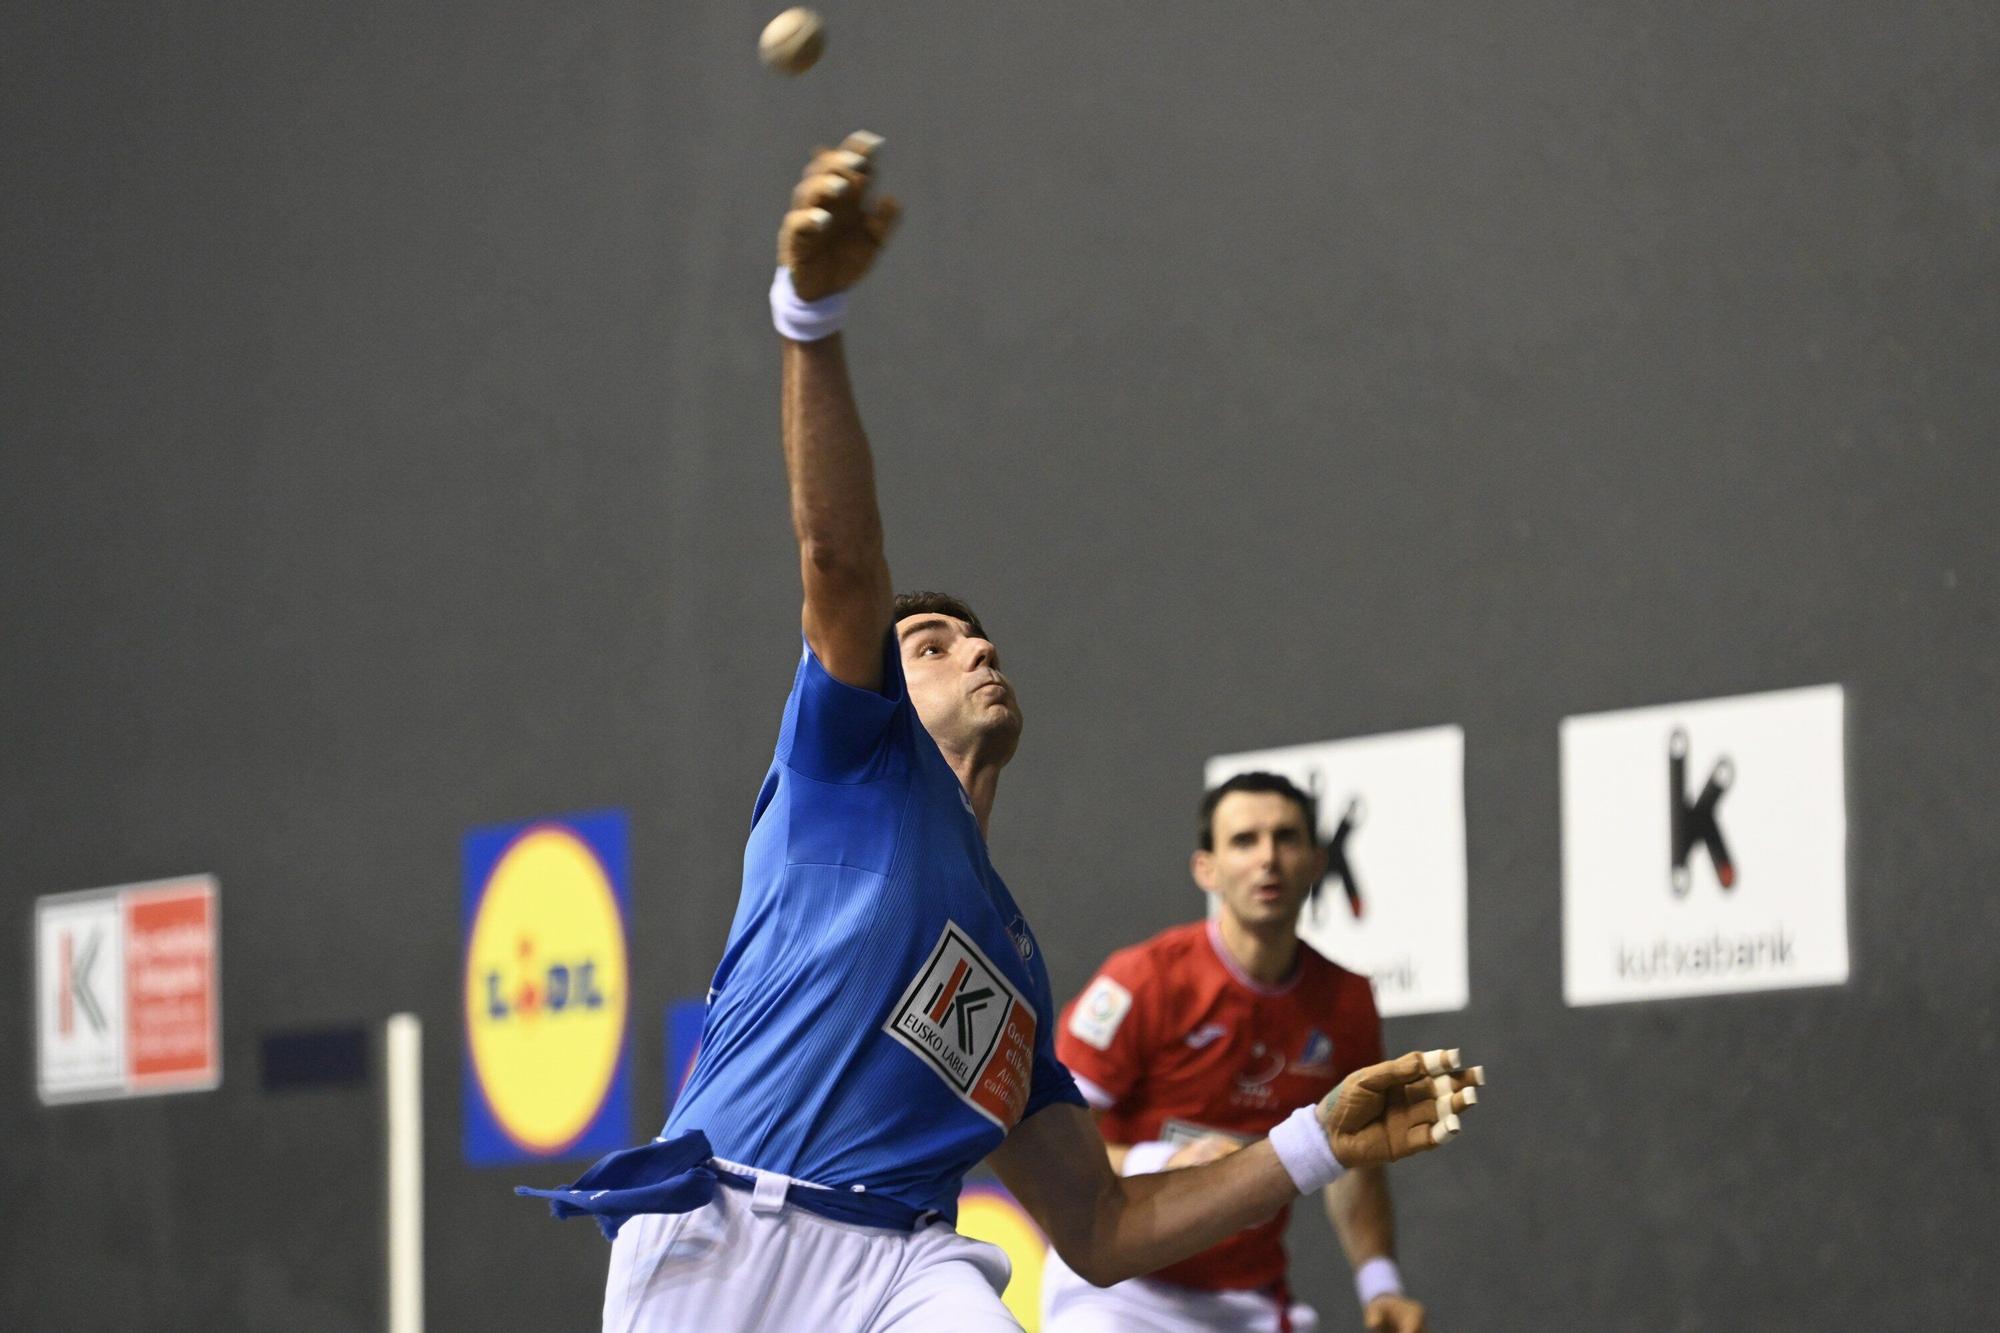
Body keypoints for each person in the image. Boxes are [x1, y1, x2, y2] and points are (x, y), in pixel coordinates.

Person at [517, 130, 1481, 1333]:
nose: (974, 649)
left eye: (980, 640)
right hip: (725, 1237)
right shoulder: (844, 768)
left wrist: (1311, 1142)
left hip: (901, 1262)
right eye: (929, 645)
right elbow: (838, 557)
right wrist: (806, 315)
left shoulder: (1016, 971)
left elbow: (1098, 1227)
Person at [1044, 773, 1452, 1333]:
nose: (1268, 859)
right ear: (1205, 869)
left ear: (1316, 861)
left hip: (1251, 1299)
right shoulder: (1144, 980)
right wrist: (1158, 1165)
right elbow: (1053, 1148)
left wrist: (1380, 1287)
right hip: (1117, 1289)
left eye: (1286, 838)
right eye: (1244, 841)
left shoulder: (1346, 1001)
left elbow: (1353, 1159)